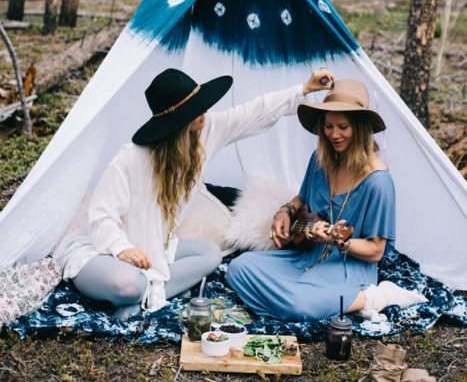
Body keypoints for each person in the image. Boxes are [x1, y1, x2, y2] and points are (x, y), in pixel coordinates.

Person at [54, 66, 331, 320]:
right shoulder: (130, 159)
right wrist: (122, 248)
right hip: (102, 252)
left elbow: (251, 112)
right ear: (176, 120)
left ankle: (144, 298)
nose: (205, 112)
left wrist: (303, 90)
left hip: (155, 250)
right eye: (195, 109)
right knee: (129, 285)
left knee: (210, 254)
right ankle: (140, 294)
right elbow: (101, 215)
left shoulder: (204, 131)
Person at [226, 77, 406, 322]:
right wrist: (284, 212)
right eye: (329, 126)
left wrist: (337, 240)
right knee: (239, 268)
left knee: (300, 305)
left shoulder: (378, 182)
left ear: (360, 128)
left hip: (347, 267)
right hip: (310, 254)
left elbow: (376, 251)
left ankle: (371, 297)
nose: (334, 134)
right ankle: (300, 303)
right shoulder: (320, 160)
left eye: (343, 127)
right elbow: (301, 198)